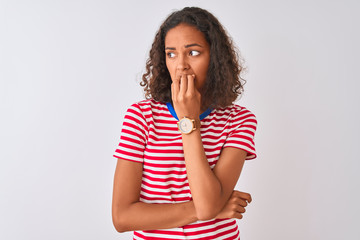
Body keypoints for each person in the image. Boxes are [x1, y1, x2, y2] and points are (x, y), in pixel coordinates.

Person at [112, 7, 257, 240]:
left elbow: (208, 206)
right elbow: (122, 218)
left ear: (215, 58)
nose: (181, 65)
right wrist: (208, 210)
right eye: (171, 54)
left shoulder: (239, 120)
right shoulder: (141, 116)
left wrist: (188, 121)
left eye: (193, 53)